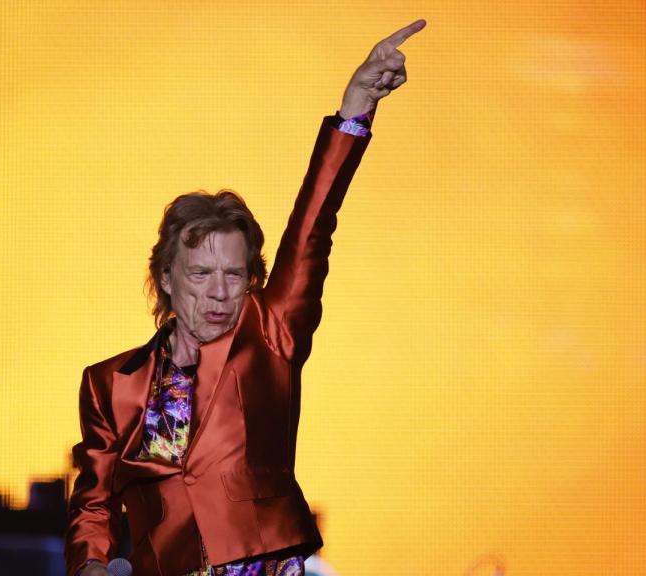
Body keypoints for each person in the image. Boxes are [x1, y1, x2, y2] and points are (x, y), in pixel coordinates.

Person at [66, 20, 427, 576]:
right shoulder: (110, 383)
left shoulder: (271, 334)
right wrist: (91, 563)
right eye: (201, 273)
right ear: (166, 277)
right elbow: (94, 502)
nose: (219, 291)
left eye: (234, 275)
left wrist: (354, 111)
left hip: (264, 563)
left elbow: (312, 226)